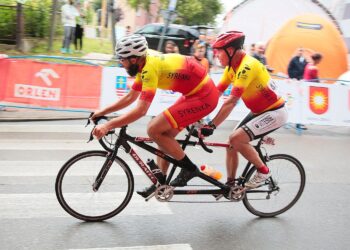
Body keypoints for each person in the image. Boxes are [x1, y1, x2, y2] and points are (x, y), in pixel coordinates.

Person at [91, 34, 220, 197]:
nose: (120, 63)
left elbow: (140, 111)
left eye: (122, 59)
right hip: (193, 93)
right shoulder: (142, 62)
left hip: (204, 97)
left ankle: (189, 169)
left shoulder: (149, 68)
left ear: (133, 59)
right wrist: (102, 112)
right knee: (163, 135)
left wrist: (107, 125)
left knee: (153, 129)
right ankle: (162, 184)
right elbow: (131, 97)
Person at [201, 31, 288, 188]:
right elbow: (214, 94)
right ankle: (231, 185)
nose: (216, 55)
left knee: (236, 139)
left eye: (219, 50)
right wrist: (197, 114)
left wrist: (212, 125)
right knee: (231, 144)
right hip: (258, 111)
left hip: (275, 112)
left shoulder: (247, 66)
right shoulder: (231, 68)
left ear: (231, 50)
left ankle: (263, 171)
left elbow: (232, 101)